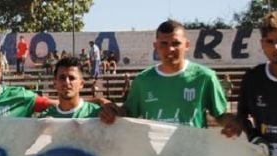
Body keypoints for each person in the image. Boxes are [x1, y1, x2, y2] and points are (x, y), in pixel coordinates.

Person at [100, 20, 235, 132]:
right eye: (164, 44)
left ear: (187, 45)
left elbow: (221, 116)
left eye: (176, 43)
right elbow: (128, 113)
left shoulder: (205, 77)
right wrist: (112, 111)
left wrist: (233, 122)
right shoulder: (143, 80)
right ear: (156, 46)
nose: (170, 49)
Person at [233, 11, 277, 156]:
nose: (276, 47)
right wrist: (254, 136)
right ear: (262, 44)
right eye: (270, 42)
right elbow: (242, 115)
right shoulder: (253, 79)